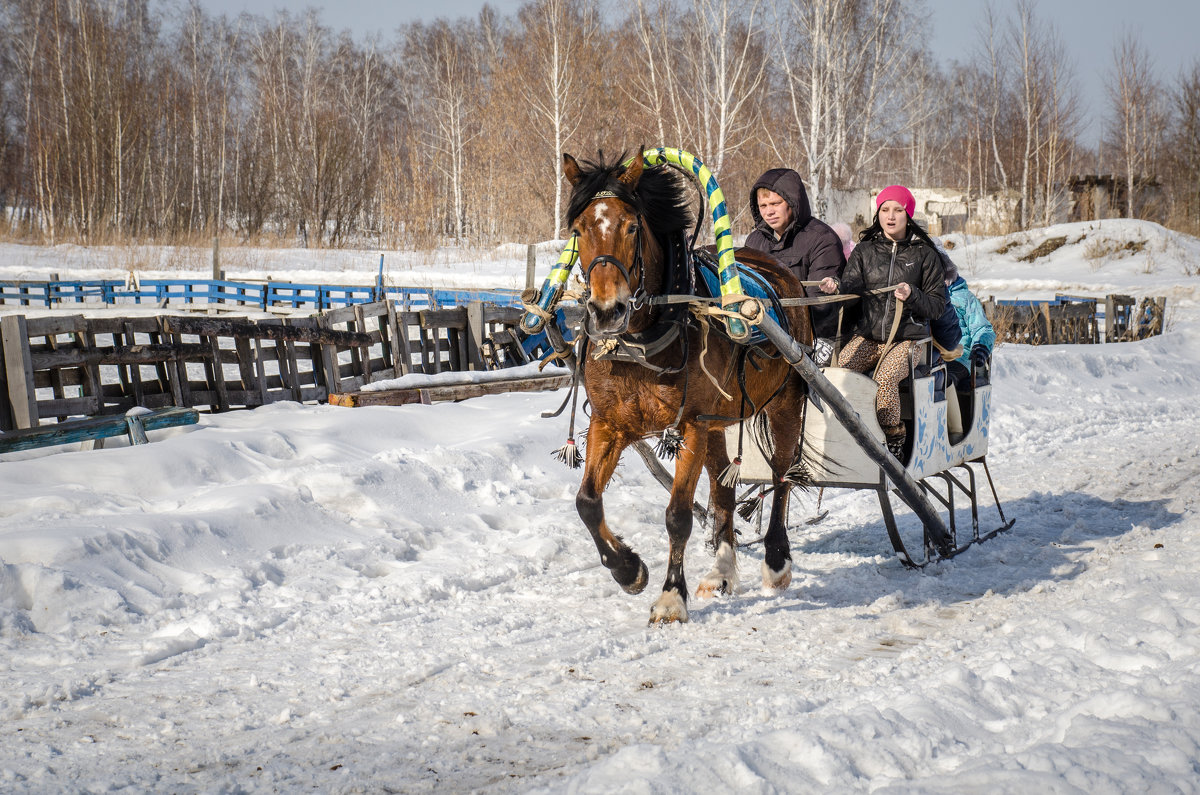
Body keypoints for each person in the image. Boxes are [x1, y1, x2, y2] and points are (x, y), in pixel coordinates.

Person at [818, 185, 945, 458]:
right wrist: (836, 287)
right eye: (885, 209)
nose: (891, 216)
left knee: (885, 379)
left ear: (908, 214)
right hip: (869, 336)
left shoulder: (925, 255)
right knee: (840, 374)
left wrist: (913, 295)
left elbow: (937, 306)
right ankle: (850, 435)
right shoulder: (865, 251)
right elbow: (851, 291)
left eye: (898, 210)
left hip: (910, 340)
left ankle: (894, 441)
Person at [745, 169, 846, 355]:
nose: (769, 212)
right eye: (763, 205)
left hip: (816, 334)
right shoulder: (754, 241)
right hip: (765, 331)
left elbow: (820, 305)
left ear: (792, 202)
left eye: (775, 203)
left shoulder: (822, 239)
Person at [938, 251, 995, 390]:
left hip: (960, 357)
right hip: (933, 356)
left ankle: (950, 412)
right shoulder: (927, 299)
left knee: (945, 379)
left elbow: (982, 328)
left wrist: (981, 346)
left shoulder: (965, 298)